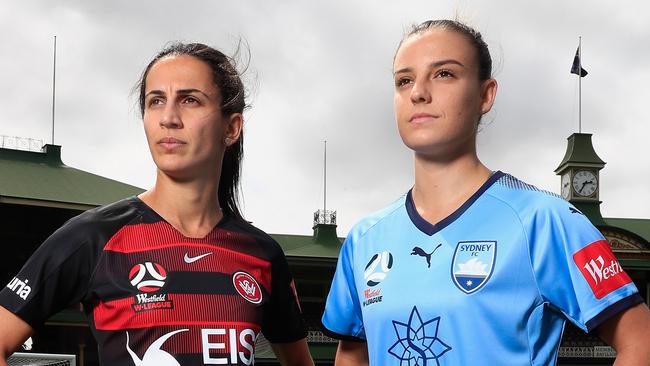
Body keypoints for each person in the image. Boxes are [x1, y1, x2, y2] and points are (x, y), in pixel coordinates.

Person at [321, 20, 650, 365]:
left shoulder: (542, 220)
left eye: (444, 74)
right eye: (404, 80)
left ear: (485, 94)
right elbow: (352, 354)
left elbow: (641, 340)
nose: (418, 91)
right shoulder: (365, 239)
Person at [0, 42, 314, 366]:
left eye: (189, 100)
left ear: (231, 127)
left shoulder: (262, 253)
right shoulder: (92, 237)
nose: (168, 118)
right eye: (156, 101)